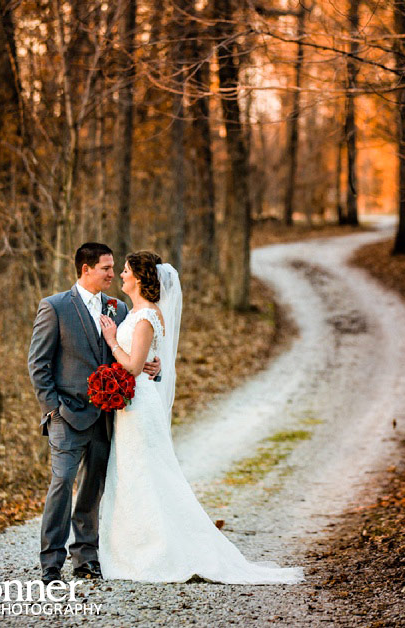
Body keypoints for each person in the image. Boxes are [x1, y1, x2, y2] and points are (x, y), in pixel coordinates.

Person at [98, 251, 304, 584]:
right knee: (135, 472)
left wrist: (112, 341)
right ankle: (134, 546)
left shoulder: (148, 315)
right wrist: (148, 361)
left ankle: (156, 552)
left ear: (138, 277)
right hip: (132, 404)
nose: (120, 275)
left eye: (124, 271)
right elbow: (147, 359)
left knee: (146, 472)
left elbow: (134, 365)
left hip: (139, 405)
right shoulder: (136, 312)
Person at [28, 242, 161, 584]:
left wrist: (153, 368)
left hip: (107, 418)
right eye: (105, 268)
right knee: (61, 485)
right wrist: (53, 410)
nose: (112, 274)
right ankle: (51, 563)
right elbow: (38, 365)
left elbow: (132, 356)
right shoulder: (55, 307)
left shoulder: (118, 308)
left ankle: (86, 559)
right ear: (85, 269)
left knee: (93, 490)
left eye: (115, 267)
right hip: (67, 417)